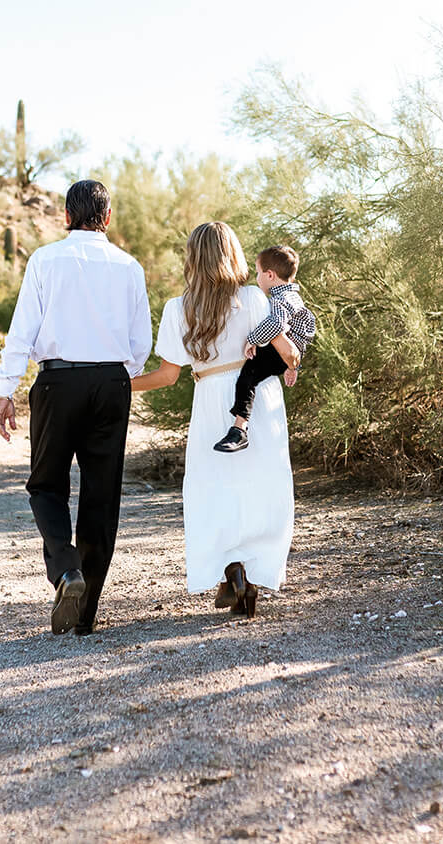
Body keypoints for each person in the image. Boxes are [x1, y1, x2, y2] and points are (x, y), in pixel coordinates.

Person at [0, 179, 151, 635]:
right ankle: (85, 616)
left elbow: (22, 330)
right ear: (108, 219)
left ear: (67, 217)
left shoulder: (45, 260)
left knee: (46, 485)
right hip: (111, 383)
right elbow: (141, 342)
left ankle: (66, 571)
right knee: (102, 496)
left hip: (57, 381)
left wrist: (6, 389)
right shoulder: (129, 265)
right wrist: (117, 376)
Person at [131, 222, 294, 618]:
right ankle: (249, 577)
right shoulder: (256, 297)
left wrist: (117, 387)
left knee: (214, 487)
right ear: (234, 255)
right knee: (260, 483)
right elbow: (287, 351)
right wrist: (290, 362)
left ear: (192, 259)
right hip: (257, 398)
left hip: (208, 397)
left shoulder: (178, 308)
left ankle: (232, 571)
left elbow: (167, 375)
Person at [213, 244, 315, 453]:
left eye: (258, 273)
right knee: (251, 376)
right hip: (289, 354)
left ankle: (239, 428)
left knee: (247, 376)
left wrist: (253, 339)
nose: (257, 277)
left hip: (279, 353)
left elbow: (277, 325)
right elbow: (301, 336)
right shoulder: (294, 297)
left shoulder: (279, 300)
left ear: (270, 275)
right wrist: (293, 367)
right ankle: (239, 428)